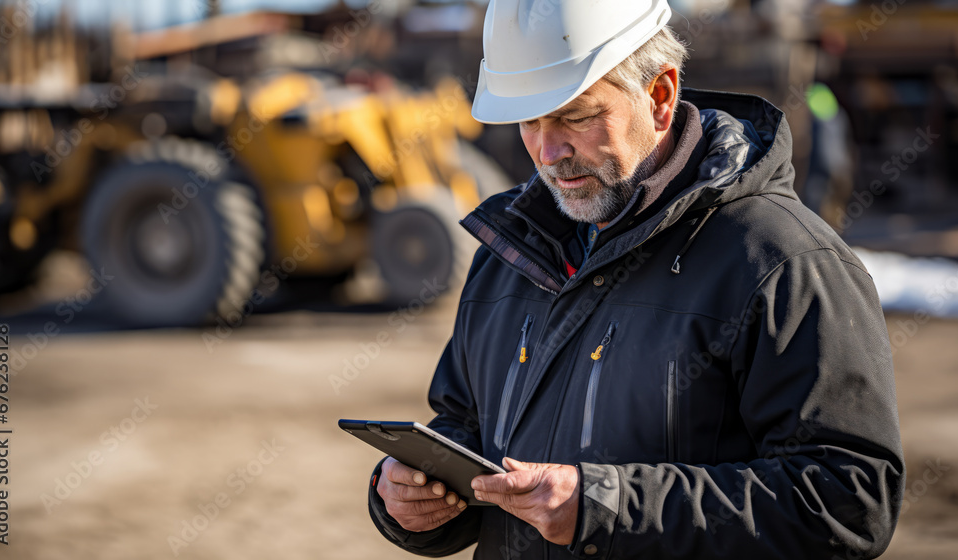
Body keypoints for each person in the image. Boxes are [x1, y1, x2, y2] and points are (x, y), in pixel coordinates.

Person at [366, 1, 905, 558]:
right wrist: (416, 496)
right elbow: (464, 427)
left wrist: (609, 506)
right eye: (530, 121)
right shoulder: (508, 251)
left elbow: (849, 500)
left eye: (575, 116)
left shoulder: (784, 262)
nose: (550, 154)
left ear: (660, 96)